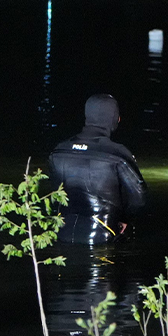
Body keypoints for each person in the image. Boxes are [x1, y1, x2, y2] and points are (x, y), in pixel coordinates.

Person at [48, 94, 147, 244]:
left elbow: (54, 196)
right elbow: (139, 199)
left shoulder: (59, 150)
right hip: (102, 238)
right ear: (115, 119)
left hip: (61, 234)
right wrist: (125, 219)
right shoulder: (117, 153)